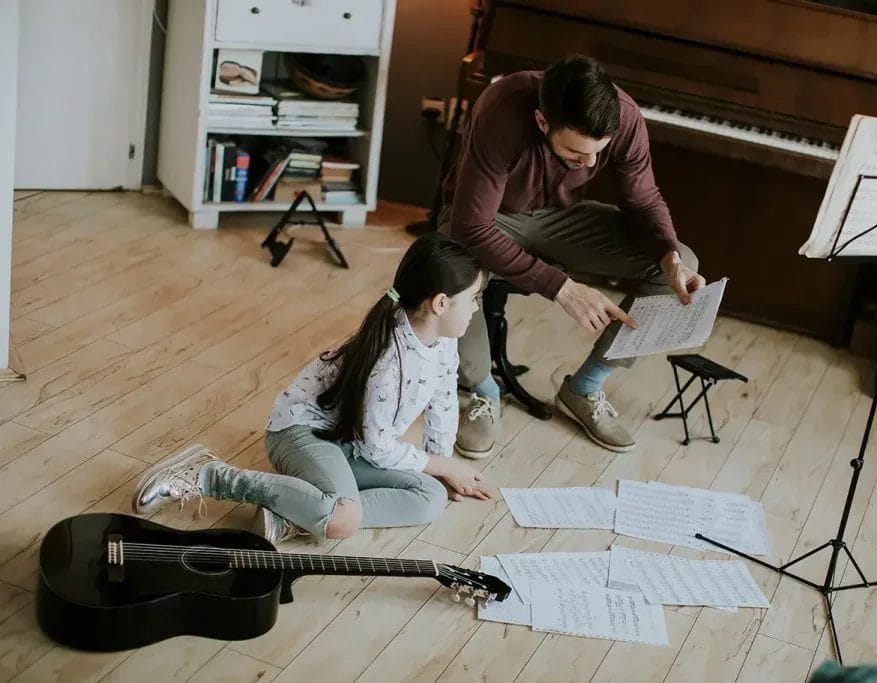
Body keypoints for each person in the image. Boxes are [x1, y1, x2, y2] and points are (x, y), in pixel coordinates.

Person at [131, 233, 494, 544]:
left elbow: (444, 402)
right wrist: (442, 465)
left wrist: (444, 468)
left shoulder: (444, 342)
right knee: (345, 520)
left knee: (431, 496)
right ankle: (208, 475)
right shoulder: (388, 363)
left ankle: (295, 515)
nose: (476, 309)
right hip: (301, 434)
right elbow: (379, 448)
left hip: (351, 444)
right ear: (441, 303)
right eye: (474, 299)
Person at [439, 54, 706, 459]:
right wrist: (562, 288)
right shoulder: (501, 107)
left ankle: (585, 387)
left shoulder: (625, 116)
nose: (591, 163)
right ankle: (481, 391)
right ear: (542, 121)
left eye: (599, 151)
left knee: (680, 260)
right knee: (451, 264)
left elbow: (644, 201)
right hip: (489, 216)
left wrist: (670, 260)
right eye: (577, 152)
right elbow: (472, 226)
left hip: (558, 217)